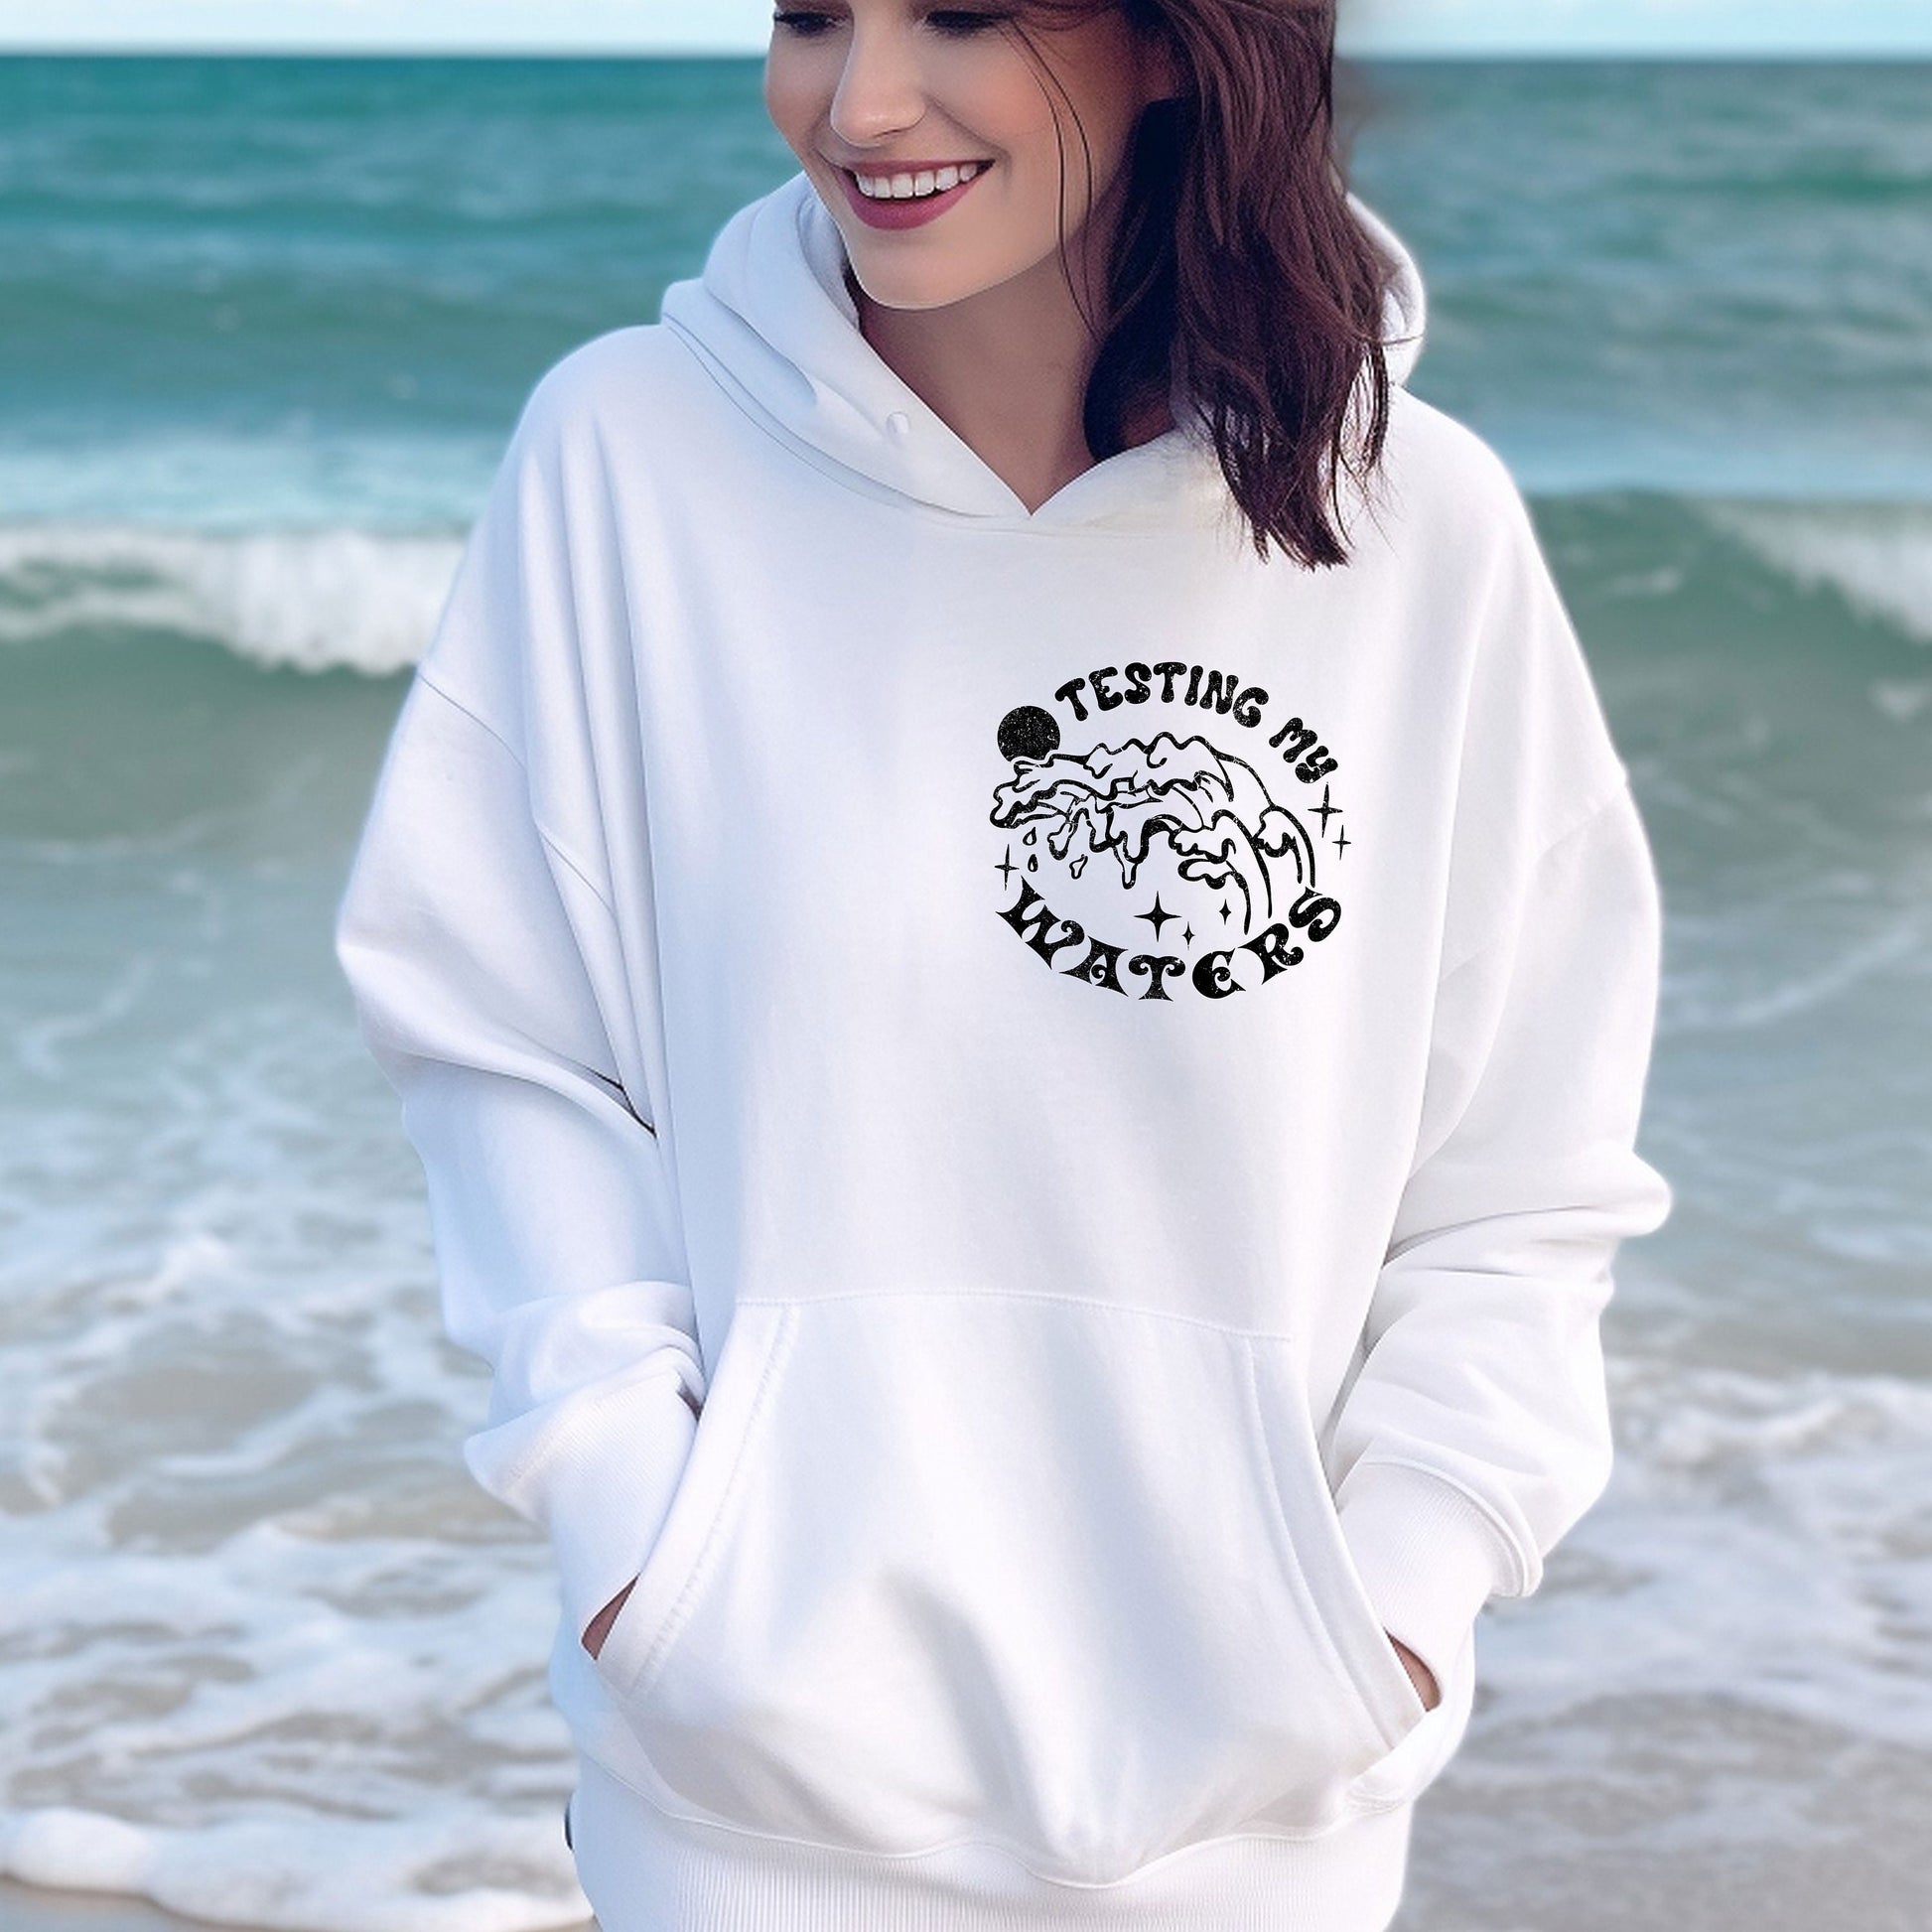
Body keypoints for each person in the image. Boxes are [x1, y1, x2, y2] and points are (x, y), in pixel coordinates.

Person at [332, 0, 1674, 1925]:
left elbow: (1523, 1170)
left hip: (1260, 1807)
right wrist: (639, 1543)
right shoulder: (627, 457)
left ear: (1164, 43)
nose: (859, 101)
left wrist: (1386, 1606)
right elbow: (500, 1036)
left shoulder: (1411, 524)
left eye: (958, 14)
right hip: (747, 1797)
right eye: (810, 15)